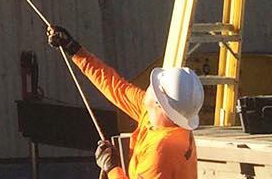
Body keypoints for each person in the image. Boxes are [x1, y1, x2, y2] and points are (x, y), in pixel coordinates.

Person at [46, 24, 202, 179]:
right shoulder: (161, 119)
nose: (148, 86)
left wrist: (112, 168)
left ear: (159, 103)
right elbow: (115, 86)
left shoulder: (160, 151)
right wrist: (74, 49)